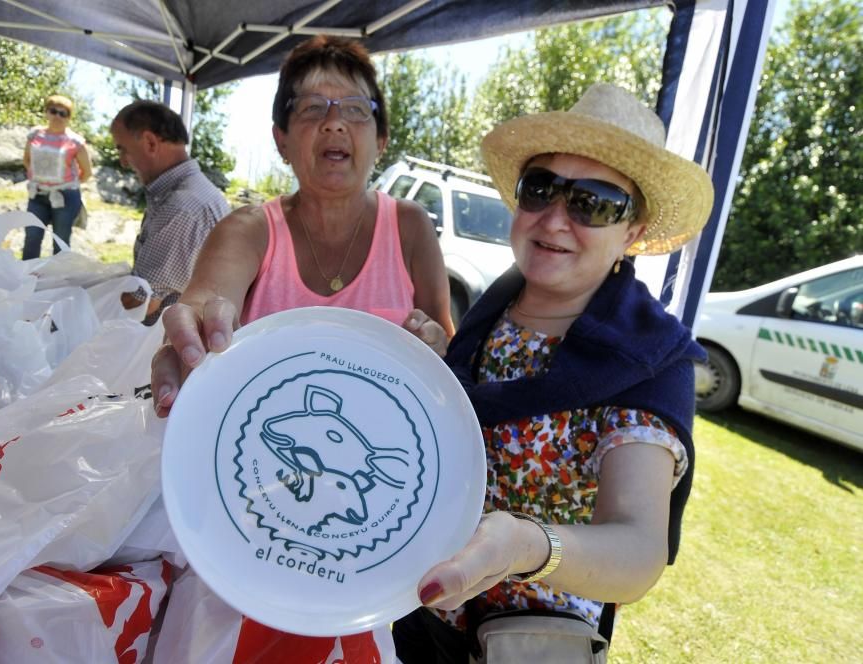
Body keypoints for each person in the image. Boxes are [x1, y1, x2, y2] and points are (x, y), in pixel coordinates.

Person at [149, 34, 453, 660]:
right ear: (282, 137)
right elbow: (207, 298)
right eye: (311, 108)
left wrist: (430, 343)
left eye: (355, 109)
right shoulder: (250, 228)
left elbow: (442, 342)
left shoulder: (413, 228)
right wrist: (193, 325)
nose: (334, 122)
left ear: (381, 137)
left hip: (366, 525)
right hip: (250, 507)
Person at [394, 83, 715, 663]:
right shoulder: (496, 308)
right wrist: (441, 365)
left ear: (633, 232)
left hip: (525, 645)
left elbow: (639, 551)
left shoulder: (647, 358)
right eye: (540, 189)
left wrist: (523, 545)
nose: (556, 218)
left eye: (593, 202)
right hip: (416, 615)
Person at [110, 100, 230, 325]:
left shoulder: (180, 207)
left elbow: (142, 304)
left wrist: (84, 302)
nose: (123, 162)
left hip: (163, 346)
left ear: (150, 143)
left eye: (122, 149)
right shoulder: (187, 193)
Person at [22, 94, 93, 259]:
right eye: (53, 111)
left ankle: (58, 280)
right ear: (46, 113)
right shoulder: (34, 135)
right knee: (32, 236)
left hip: (65, 197)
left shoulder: (76, 142)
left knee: (60, 241)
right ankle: (26, 278)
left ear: (69, 118)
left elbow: (86, 172)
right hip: (37, 194)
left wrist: (66, 184)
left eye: (63, 113)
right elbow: (26, 160)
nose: (57, 116)